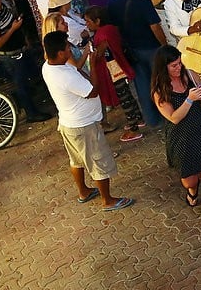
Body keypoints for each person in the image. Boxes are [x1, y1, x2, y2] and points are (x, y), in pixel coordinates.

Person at [41, 30, 134, 211]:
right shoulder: (66, 76)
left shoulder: (48, 66)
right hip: (84, 126)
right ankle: (107, 200)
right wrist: (92, 64)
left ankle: (84, 191)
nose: (70, 50)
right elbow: (93, 91)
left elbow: (75, 70)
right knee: (98, 161)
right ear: (60, 53)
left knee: (76, 160)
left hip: (69, 124)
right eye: (67, 47)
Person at [151, 45, 201, 231]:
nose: (178, 68)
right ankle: (192, 190)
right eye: (173, 65)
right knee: (190, 179)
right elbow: (174, 117)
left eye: (179, 63)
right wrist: (189, 99)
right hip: (181, 138)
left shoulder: (190, 75)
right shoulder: (159, 90)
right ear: (163, 68)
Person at [107, 0, 167, 129]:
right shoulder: (142, 1)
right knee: (160, 83)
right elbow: (155, 26)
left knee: (141, 85)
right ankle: (167, 115)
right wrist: (164, 45)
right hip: (151, 48)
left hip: (130, 50)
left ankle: (152, 120)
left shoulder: (112, 2)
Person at [0, 0, 52, 123]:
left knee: (39, 76)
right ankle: (31, 113)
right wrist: (13, 28)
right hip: (11, 57)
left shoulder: (5, 9)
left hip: (23, 51)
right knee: (21, 86)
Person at [82, 6, 144, 143]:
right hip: (118, 68)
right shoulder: (110, 29)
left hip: (115, 71)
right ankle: (138, 118)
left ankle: (134, 129)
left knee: (124, 99)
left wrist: (91, 51)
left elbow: (99, 53)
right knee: (127, 95)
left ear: (97, 21)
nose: (87, 24)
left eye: (88, 21)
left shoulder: (102, 35)